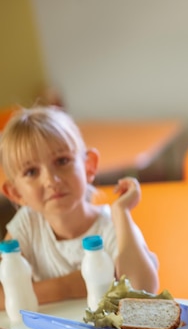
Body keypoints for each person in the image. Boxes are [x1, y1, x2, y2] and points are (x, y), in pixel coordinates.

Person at [0, 106, 159, 309]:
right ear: (16, 193)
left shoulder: (113, 225)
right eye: (31, 172)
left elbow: (143, 293)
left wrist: (122, 212)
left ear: (89, 166)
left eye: (62, 161)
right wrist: (66, 287)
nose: (51, 180)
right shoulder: (26, 225)